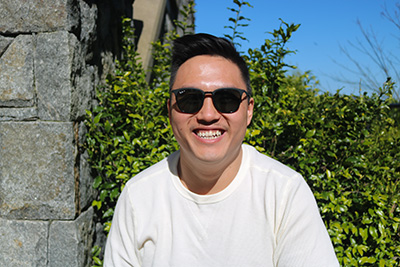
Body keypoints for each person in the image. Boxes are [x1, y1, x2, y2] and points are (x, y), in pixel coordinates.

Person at [104, 33, 339, 266]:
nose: (208, 115)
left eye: (227, 99)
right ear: (170, 109)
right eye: (189, 99)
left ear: (248, 110)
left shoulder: (285, 193)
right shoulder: (138, 198)